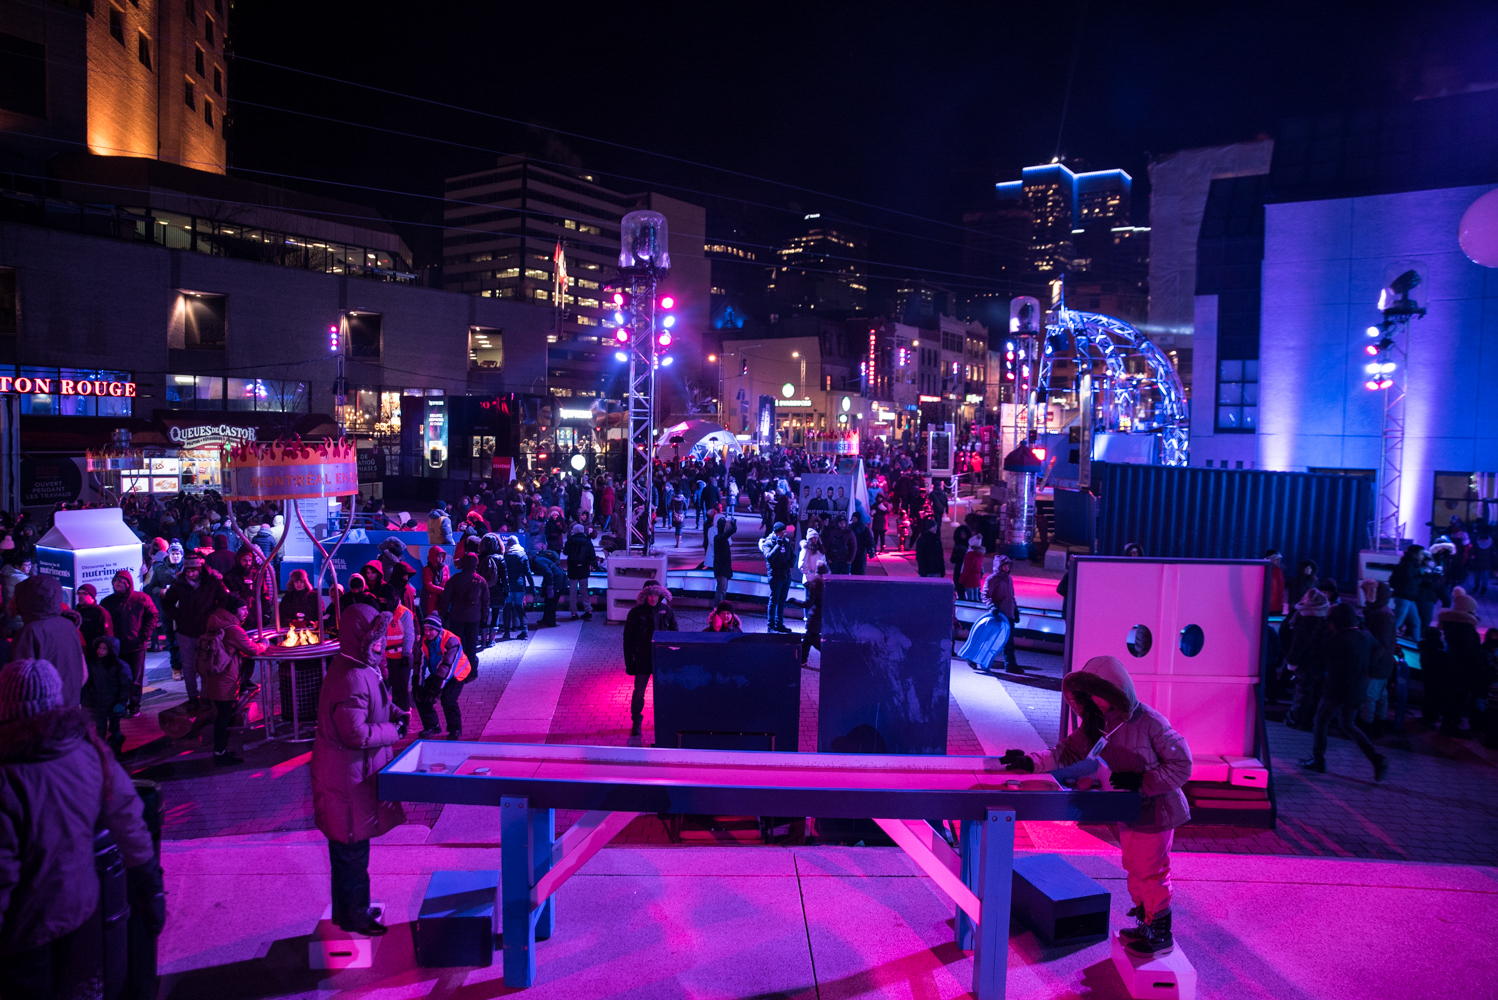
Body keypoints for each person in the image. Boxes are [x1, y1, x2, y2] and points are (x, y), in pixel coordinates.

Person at [1002, 655, 1191, 956]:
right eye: (1091, 695)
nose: (1097, 701)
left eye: (1102, 694)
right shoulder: (1098, 725)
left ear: (1118, 691)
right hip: (1127, 809)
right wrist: (1029, 762)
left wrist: (1143, 780)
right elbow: (1065, 752)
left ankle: (1160, 932)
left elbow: (1182, 765)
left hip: (1157, 810)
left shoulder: (1150, 722)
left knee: (1151, 871)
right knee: (1135, 869)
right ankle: (1147, 923)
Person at [0, 659, 163, 998]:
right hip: (82, 909)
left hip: (23, 929)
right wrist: (149, 884)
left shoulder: (7, 774)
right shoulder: (88, 751)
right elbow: (128, 820)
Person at [311, 604, 407, 936]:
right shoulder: (352, 675)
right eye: (375, 639)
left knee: (350, 850)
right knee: (351, 851)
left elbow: (371, 705)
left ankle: (349, 912)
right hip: (346, 781)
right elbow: (355, 733)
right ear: (359, 639)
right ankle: (355, 916)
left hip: (350, 776)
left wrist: (394, 712)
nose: (381, 645)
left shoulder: (359, 667)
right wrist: (394, 730)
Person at [1300, 603, 1388, 780]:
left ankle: (1318, 761)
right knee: (1348, 724)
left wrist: (1320, 626)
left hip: (1336, 689)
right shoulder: (1365, 636)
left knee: (1320, 722)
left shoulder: (1338, 640)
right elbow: (1378, 646)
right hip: (1357, 688)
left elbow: (1316, 650)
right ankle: (1376, 758)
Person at [198, 595, 269, 766]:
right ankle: (220, 754)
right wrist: (265, 643)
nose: (246, 612)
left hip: (213, 677)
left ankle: (220, 750)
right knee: (223, 717)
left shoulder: (216, 623)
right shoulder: (234, 630)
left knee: (221, 715)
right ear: (234, 610)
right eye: (243, 609)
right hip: (226, 679)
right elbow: (252, 649)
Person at [161, 553, 231, 704]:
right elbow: (167, 602)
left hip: (207, 629)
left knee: (207, 662)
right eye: (187, 571)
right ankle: (192, 696)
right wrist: (178, 616)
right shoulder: (179, 583)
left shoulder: (212, 581)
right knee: (188, 664)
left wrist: (213, 614)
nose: (190, 574)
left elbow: (225, 598)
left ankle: (207, 696)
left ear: (199, 569)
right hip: (185, 630)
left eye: (193, 571)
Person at [12, 575, 87, 709]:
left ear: (26, 599)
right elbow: (84, 673)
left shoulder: (29, 632)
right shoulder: (69, 626)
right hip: (70, 709)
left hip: (43, 713)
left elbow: (19, 683)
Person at [100, 569, 159, 716]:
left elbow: (153, 615)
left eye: (121, 581)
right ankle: (119, 705)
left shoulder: (141, 598)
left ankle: (134, 706)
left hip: (136, 646)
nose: (118, 583)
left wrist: (144, 635)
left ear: (128, 583)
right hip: (115, 647)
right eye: (115, 581)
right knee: (116, 677)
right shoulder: (107, 602)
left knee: (135, 678)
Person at [623, 582, 677, 738]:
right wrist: (629, 663)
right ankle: (636, 721)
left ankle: (666, 720)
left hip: (662, 659)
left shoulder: (667, 611)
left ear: (661, 595)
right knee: (639, 692)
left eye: (656, 595)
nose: (653, 598)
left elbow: (675, 634)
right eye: (650, 595)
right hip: (642, 659)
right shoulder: (635, 613)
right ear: (645, 595)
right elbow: (628, 639)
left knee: (665, 691)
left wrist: (673, 658)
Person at [414, 612, 471, 740]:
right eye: (425, 630)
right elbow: (419, 665)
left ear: (438, 629)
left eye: (431, 630)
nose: (427, 633)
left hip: (457, 673)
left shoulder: (451, 640)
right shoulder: (424, 641)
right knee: (420, 695)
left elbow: (448, 667)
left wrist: (435, 689)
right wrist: (417, 685)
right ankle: (432, 726)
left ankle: (455, 729)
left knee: (448, 699)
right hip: (439, 672)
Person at [1436, 587, 1482, 736]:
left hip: (1453, 666)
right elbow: (1469, 651)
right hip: (1462, 669)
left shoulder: (1452, 624)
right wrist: (1478, 666)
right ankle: (1453, 726)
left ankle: (1447, 724)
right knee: (1458, 698)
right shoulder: (1464, 628)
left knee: (1451, 696)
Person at [1283, 588, 1331, 730]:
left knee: (1303, 694)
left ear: (1311, 602)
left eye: (1305, 597)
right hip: (1318, 664)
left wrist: (1292, 661)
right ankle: (1308, 722)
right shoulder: (1323, 618)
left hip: (1306, 664)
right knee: (1313, 694)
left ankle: (1296, 723)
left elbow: (1299, 643)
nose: (1302, 599)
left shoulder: (1308, 620)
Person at [1358, 580, 1397, 737]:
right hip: (1382, 662)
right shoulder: (1382, 612)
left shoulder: (1382, 615)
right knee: (1380, 694)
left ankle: (1366, 725)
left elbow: (1381, 643)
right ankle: (1378, 723)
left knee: (1369, 695)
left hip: (1377, 663)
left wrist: (1371, 663)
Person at [437, 553, 488, 668]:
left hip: (457, 617)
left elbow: (446, 598)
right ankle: (472, 670)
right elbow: (485, 601)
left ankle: (456, 668)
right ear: (476, 564)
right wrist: (484, 618)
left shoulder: (455, 579)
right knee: (471, 645)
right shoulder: (481, 580)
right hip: (474, 618)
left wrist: (444, 612)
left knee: (455, 645)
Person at [84, 636, 132, 753]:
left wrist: (121, 702)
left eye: (104, 648)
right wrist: (87, 701)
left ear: (111, 650)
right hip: (99, 702)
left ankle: (116, 748)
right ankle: (102, 752)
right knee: (100, 729)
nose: (100, 651)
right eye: (99, 648)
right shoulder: (93, 664)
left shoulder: (120, 666)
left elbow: (126, 685)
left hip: (114, 702)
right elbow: (89, 683)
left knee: (114, 727)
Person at [380, 580, 416, 713]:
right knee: (394, 687)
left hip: (402, 657)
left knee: (402, 687)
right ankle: (397, 713)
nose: (383, 603)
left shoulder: (404, 613)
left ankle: (405, 713)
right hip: (390, 657)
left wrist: (406, 654)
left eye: (385, 601)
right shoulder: (385, 613)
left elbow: (409, 635)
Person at [983, 554, 1021, 673]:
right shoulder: (992, 579)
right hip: (998, 615)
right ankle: (975, 657)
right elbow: (985, 595)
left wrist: (1015, 610)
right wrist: (992, 606)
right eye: (1005, 566)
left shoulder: (1009, 579)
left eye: (1008, 566)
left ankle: (1010, 664)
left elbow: (1011, 596)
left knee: (1009, 641)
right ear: (999, 566)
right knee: (992, 639)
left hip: (1008, 614)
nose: (1007, 568)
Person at [758, 522, 794, 633]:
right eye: (781, 533)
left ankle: (779, 624)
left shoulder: (786, 542)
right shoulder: (768, 543)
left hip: (786, 575)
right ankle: (771, 626)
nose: (783, 535)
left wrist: (790, 563)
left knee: (782, 601)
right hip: (775, 576)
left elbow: (792, 554)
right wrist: (778, 546)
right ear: (776, 532)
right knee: (774, 601)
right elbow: (769, 558)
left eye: (784, 533)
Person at [1387, 545, 1426, 640]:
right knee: (1398, 622)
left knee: (1416, 622)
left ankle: (1416, 644)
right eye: (1421, 554)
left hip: (1408, 597)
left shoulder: (1409, 564)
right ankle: (1386, 640)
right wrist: (1422, 577)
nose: (1423, 556)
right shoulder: (1408, 565)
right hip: (1404, 597)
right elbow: (1409, 581)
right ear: (1414, 554)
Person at [501, 536, 534, 641]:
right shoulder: (523, 555)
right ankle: (524, 631)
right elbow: (528, 572)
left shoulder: (505, 555)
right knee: (519, 607)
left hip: (508, 585)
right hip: (519, 585)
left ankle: (506, 632)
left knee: (507, 607)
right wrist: (532, 587)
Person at [562, 524, 596, 621]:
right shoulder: (587, 541)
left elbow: (565, 552)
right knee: (584, 590)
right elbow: (592, 555)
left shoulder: (570, 541)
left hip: (573, 568)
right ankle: (588, 610)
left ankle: (574, 613)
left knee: (572, 592)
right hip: (584, 568)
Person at [531, 544, 566, 628]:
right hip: (558, 577)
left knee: (551, 602)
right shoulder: (540, 559)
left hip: (557, 580)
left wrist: (550, 588)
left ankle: (551, 622)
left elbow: (549, 573)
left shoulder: (538, 561)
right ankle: (546, 620)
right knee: (548, 601)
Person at [800, 562, 828, 664]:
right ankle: (802, 660)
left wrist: (795, 602)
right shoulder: (828, 583)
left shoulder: (815, 584)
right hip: (823, 616)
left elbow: (808, 603)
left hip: (815, 616)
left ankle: (829, 655)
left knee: (812, 639)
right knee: (807, 640)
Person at [74, 584, 112, 649]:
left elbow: (107, 635)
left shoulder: (101, 612)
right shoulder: (75, 613)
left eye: (84, 593)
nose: (80, 596)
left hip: (94, 651)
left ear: (92, 596)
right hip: (78, 650)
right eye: (79, 593)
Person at [712, 518, 735, 606]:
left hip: (722, 568)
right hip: (721, 569)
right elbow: (727, 534)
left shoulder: (720, 538)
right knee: (721, 590)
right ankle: (718, 608)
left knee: (722, 590)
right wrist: (733, 528)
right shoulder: (719, 538)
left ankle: (719, 607)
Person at [421, 546, 450, 618]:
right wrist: (443, 591)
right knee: (431, 619)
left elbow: (448, 583)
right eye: (438, 556)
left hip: (442, 599)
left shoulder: (445, 568)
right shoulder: (427, 569)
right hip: (430, 599)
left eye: (442, 556)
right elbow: (429, 585)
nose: (441, 558)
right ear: (433, 557)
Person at [959, 535, 986, 601]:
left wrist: (961, 580)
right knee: (976, 597)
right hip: (977, 579)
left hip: (969, 580)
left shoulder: (969, 555)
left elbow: (966, 569)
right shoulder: (980, 555)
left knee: (970, 598)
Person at [1264, 549, 1286, 615]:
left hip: (1278, 607)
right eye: (1274, 558)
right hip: (1268, 608)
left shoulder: (1280, 571)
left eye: (1278, 558)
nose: (1278, 560)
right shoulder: (1265, 571)